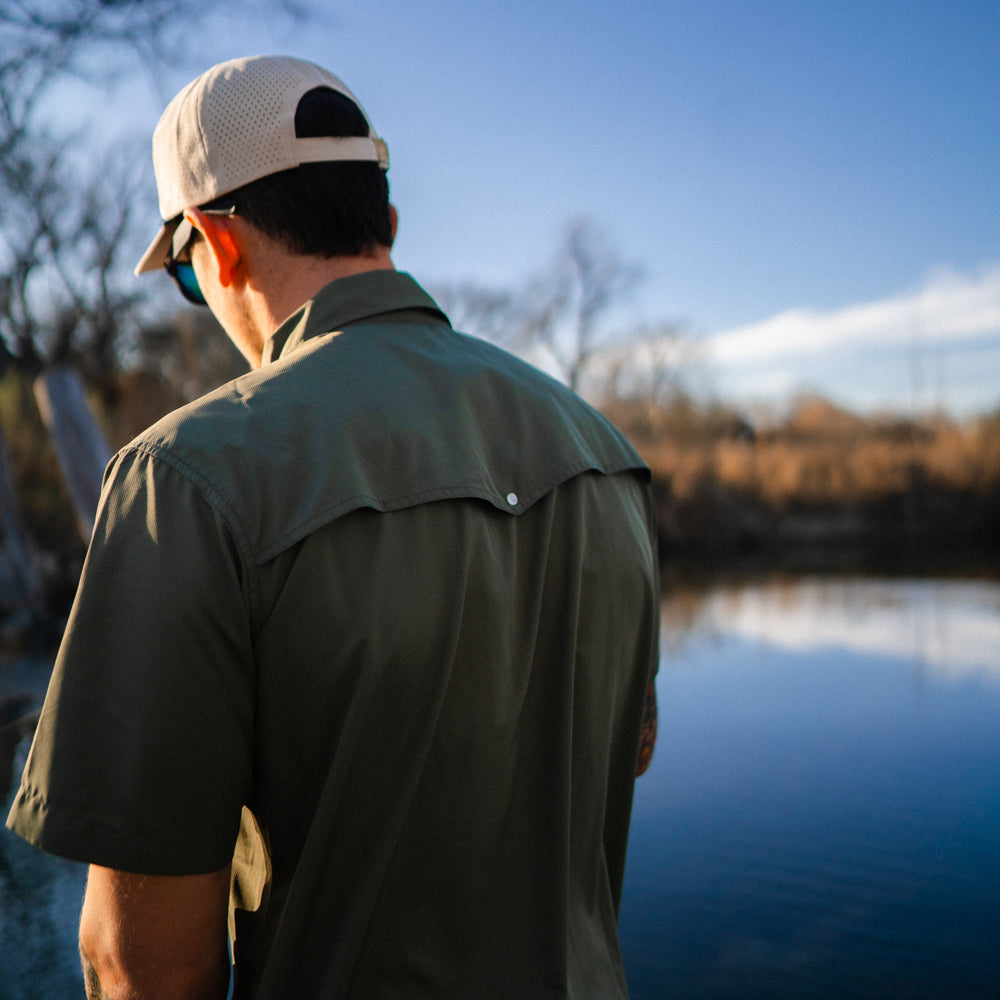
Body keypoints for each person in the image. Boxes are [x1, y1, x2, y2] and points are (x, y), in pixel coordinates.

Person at [6, 55, 659, 999]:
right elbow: (629, 748)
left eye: (185, 275)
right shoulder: (606, 453)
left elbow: (143, 964)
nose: (200, 294)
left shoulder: (184, 478)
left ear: (215, 243)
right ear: (385, 221)